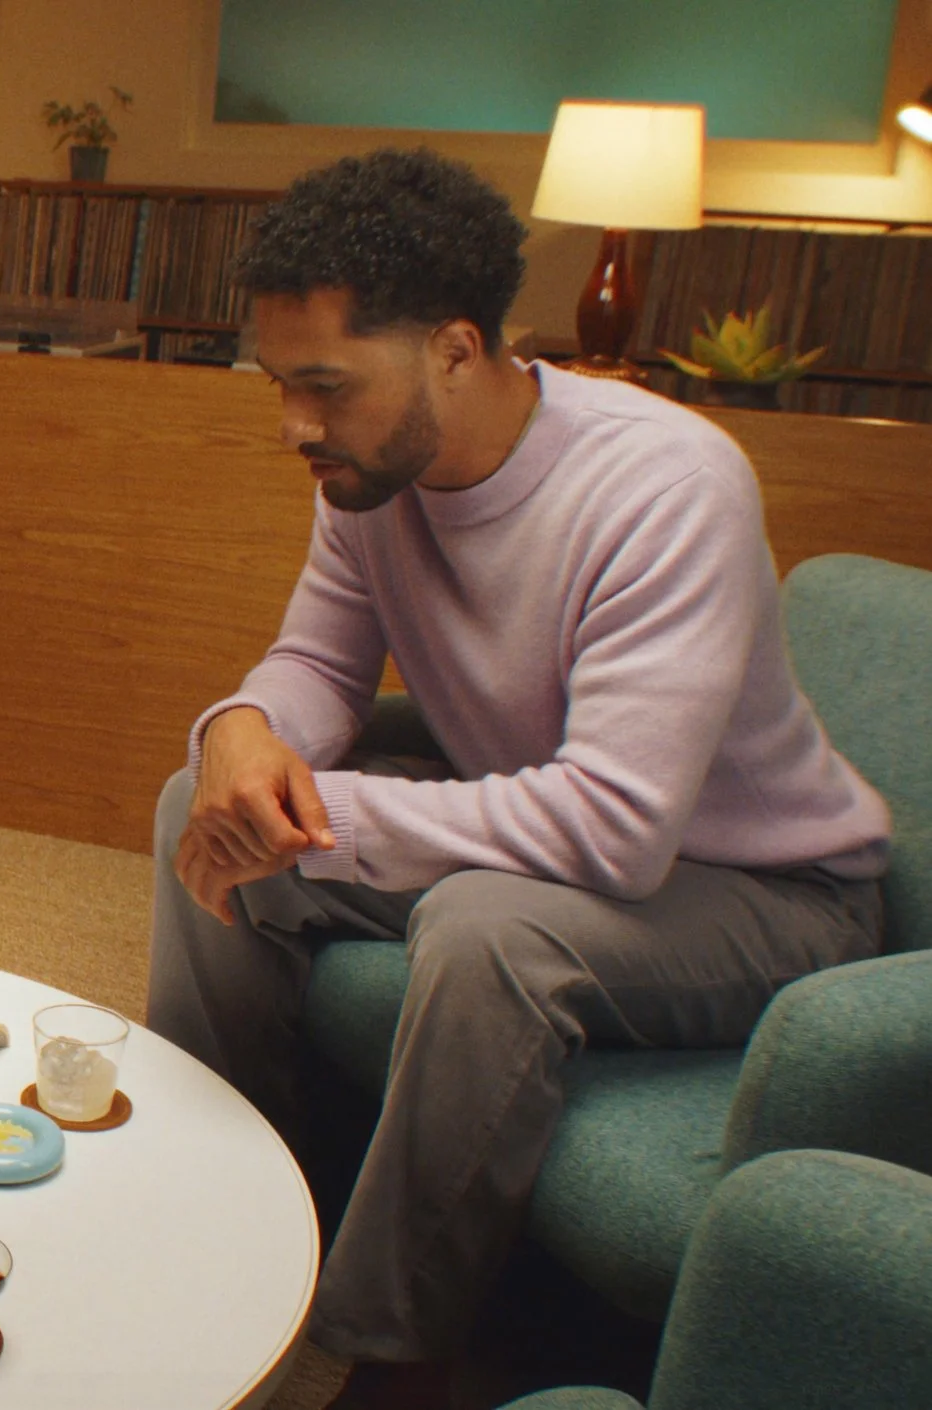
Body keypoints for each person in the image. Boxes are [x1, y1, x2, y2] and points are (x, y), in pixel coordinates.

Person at [144, 150, 890, 1405]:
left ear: (453, 349)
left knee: (488, 929)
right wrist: (242, 729)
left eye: (325, 386)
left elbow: (617, 827)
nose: (293, 426)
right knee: (201, 806)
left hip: (764, 889)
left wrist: (320, 813)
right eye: (279, 384)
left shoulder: (664, 484)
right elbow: (318, 662)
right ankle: (226, 1199)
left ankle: (385, 1352)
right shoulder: (369, 473)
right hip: (546, 821)